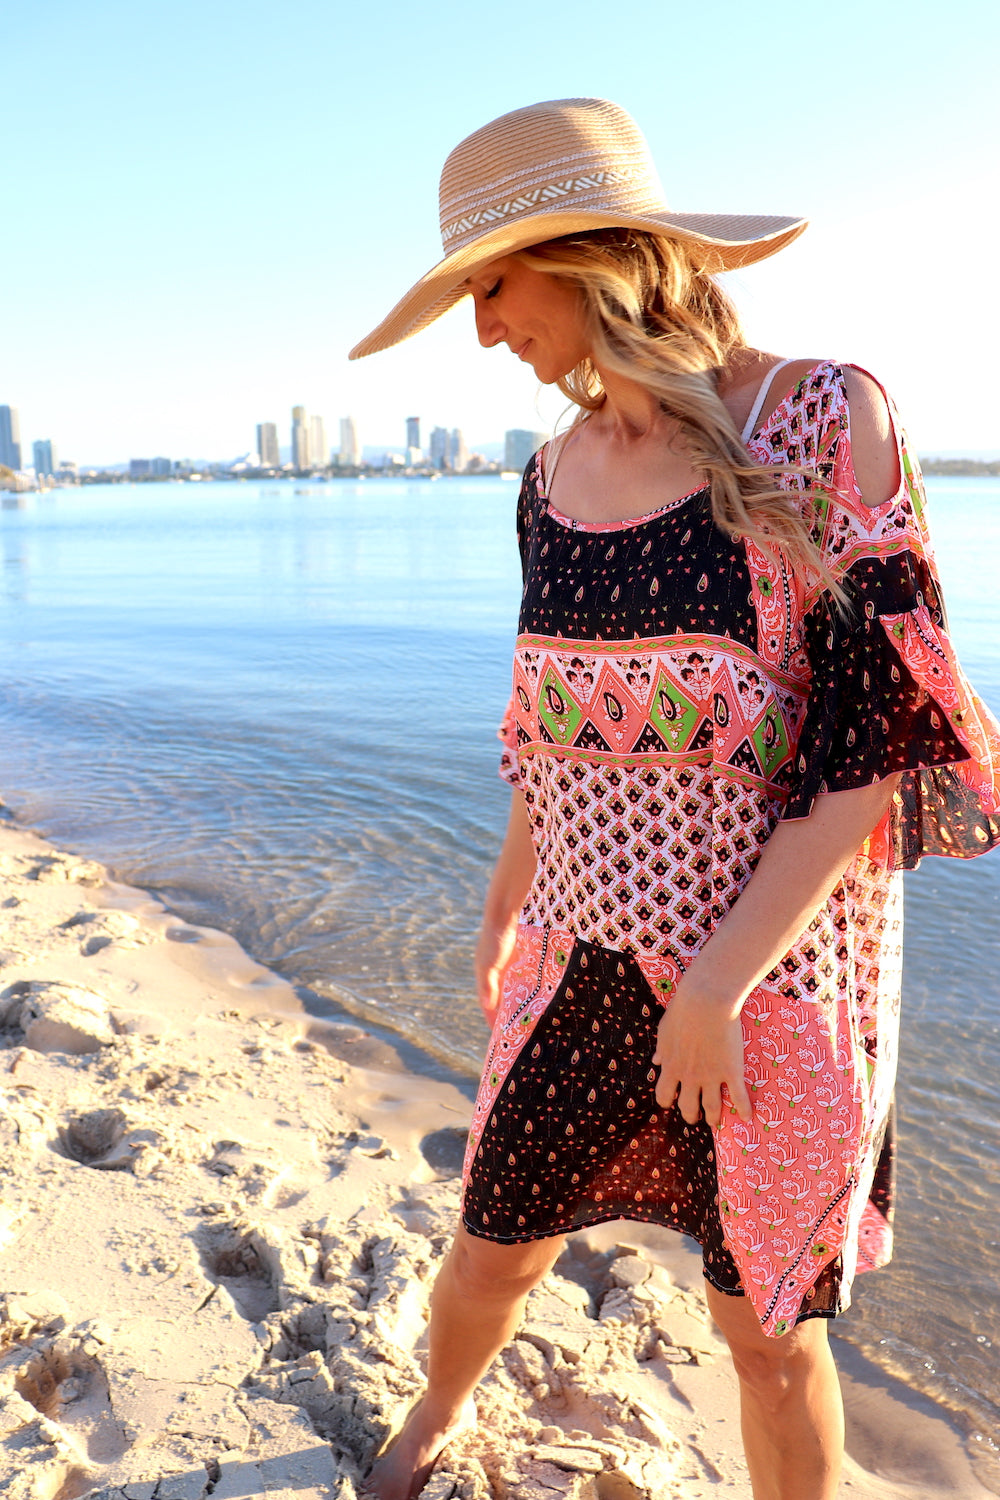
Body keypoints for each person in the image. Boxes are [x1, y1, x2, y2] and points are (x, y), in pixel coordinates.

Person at [349, 98, 1000, 1500]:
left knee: (766, 1330)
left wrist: (713, 986)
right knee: (494, 1243)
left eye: (492, 289)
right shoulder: (546, 479)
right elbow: (551, 732)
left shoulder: (821, 418)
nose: (484, 332)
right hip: (577, 945)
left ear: (584, 258)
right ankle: (431, 1418)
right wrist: (505, 900)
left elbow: (869, 747)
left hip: (777, 976)